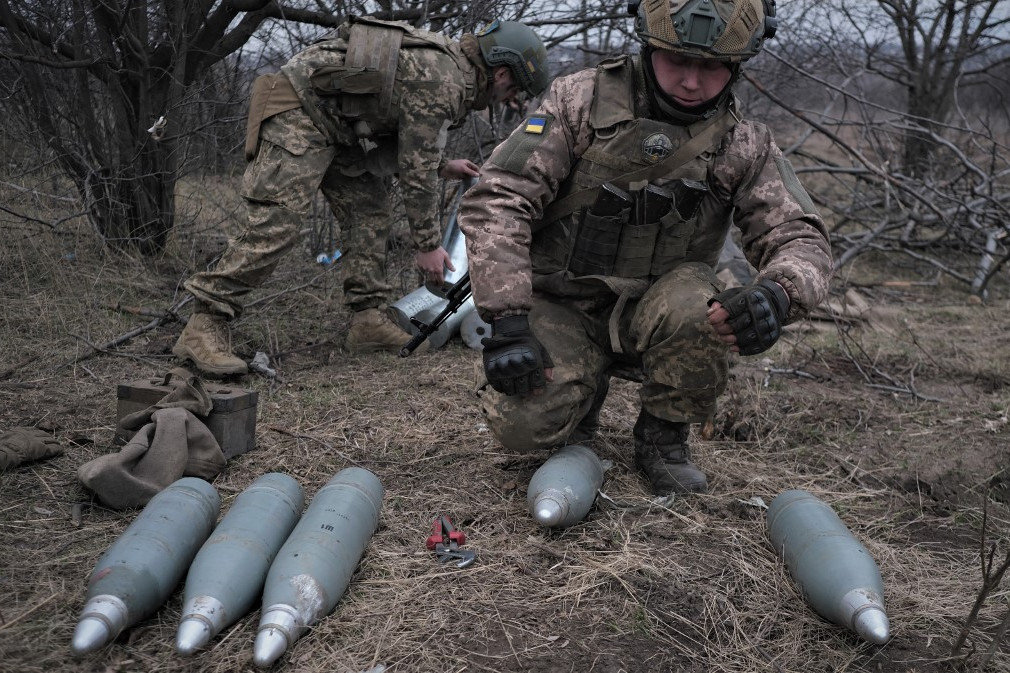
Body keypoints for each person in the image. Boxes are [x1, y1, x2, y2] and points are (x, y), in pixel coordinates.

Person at [458, 0, 832, 495]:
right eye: (677, 61)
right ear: (648, 46)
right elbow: (499, 197)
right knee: (521, 428)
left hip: (661, 311)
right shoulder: (579, 102)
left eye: (711, 67)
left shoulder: (742, 143)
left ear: (736, 67)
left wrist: (779, 295)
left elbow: (800, 237)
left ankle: (663, 435)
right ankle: (581, 394)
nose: (692, 82)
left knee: (703, 307)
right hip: (565, 300)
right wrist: (507, 320)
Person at [173, 17, 549, 375]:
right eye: (513, 89)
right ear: (501, 73)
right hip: (299, 112)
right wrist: (428, 246)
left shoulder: (451, 74)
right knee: (279, 222)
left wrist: (444, 164)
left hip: (338, 127)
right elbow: (415, 170)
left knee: (370, 210)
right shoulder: (445, 80)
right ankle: (206, 320)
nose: (507, 98)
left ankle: (367, 320)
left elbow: (408, 143)